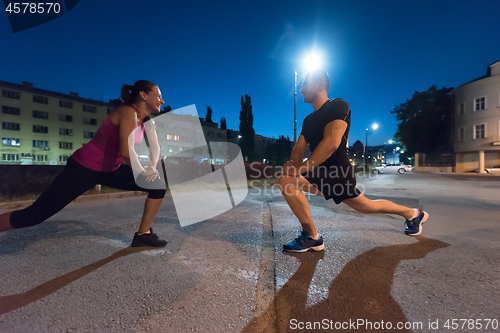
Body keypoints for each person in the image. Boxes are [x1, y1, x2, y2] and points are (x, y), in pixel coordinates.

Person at [0, 80, 168, 247]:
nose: (162, 100)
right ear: (143, 95)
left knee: (157, 185)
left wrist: (151, 168)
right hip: (84, 168)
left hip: (109, 170)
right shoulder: (127, 112)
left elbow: (155, 148)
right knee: (33, 216)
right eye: (159, 96)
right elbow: (127, 151)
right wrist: (141, 171)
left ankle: (143, 235)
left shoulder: (147, 121)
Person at [280, 70, 428, 253]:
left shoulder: (338, 106)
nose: (301, 89)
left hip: (338, 173)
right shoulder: (308, 120)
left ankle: (312, 237)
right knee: (366, 205)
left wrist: (300, 169)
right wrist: (292, 164)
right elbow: (299, 148)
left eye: (304, 84)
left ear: (320, 85)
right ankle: (413, 214)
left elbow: (331, 143)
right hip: (319, 172)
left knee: (368, 207)